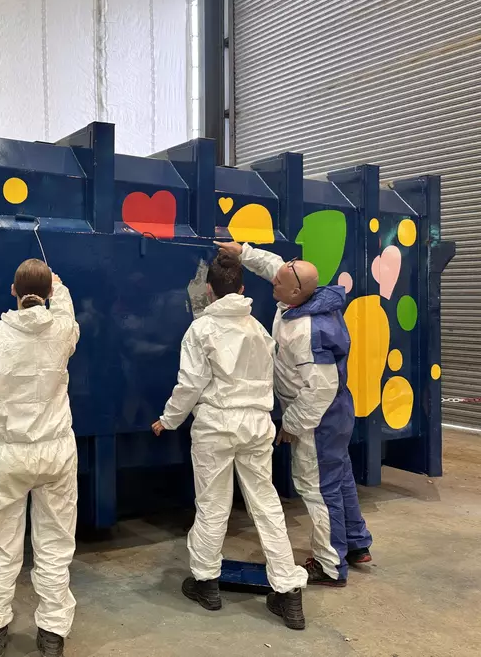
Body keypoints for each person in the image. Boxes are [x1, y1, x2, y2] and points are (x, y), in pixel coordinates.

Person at [152, 252, 308, 630]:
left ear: (209, 290)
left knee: (212, 505)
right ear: (242, 289)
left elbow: (190, 385)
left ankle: (206, 582)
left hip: (216, 428)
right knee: (266, 504)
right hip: (256, 425)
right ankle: (288, 593)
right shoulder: (259, 330)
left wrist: (168, 420)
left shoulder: (201, 331)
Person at [215, 240, 373, 587]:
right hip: (336, 412)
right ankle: (357, 544)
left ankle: (330, 566)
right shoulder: (302, 297)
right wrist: (244, 252)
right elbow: (278, 268)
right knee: (339, 475)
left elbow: (319, 389)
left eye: (279, 284)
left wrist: (293, 425)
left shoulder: (306, 331)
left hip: (320, 417)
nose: (273, 283)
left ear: (296, 291)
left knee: (317, 487)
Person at [0, 258, 80, 657]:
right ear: (47, 294)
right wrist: (57, 285)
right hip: (56, 452)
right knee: (55, 545)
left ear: (13, 291)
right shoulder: (63, 331)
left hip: (8, 456)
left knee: (1, 545)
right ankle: (52, 635)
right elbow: (66, 311)